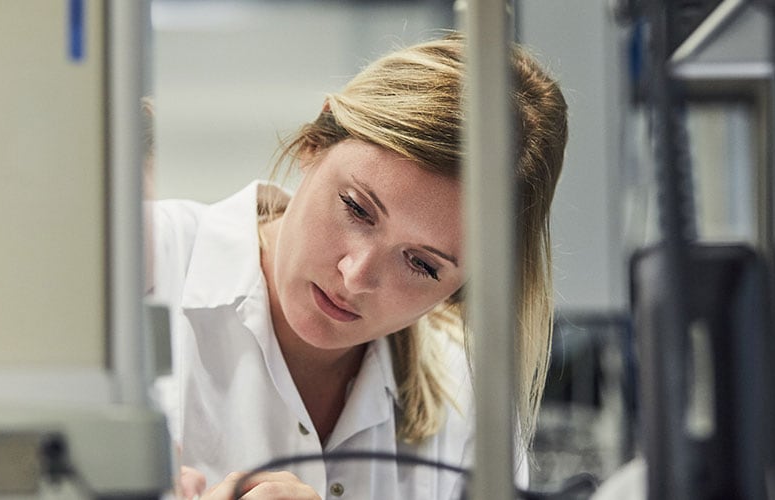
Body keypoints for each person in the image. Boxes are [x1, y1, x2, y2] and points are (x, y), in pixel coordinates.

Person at [148, 32, 568, 499]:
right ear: (316, 140)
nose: (356, 275)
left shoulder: (469, 400)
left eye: (423, 265)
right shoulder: (137, 269)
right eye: (357, 208)